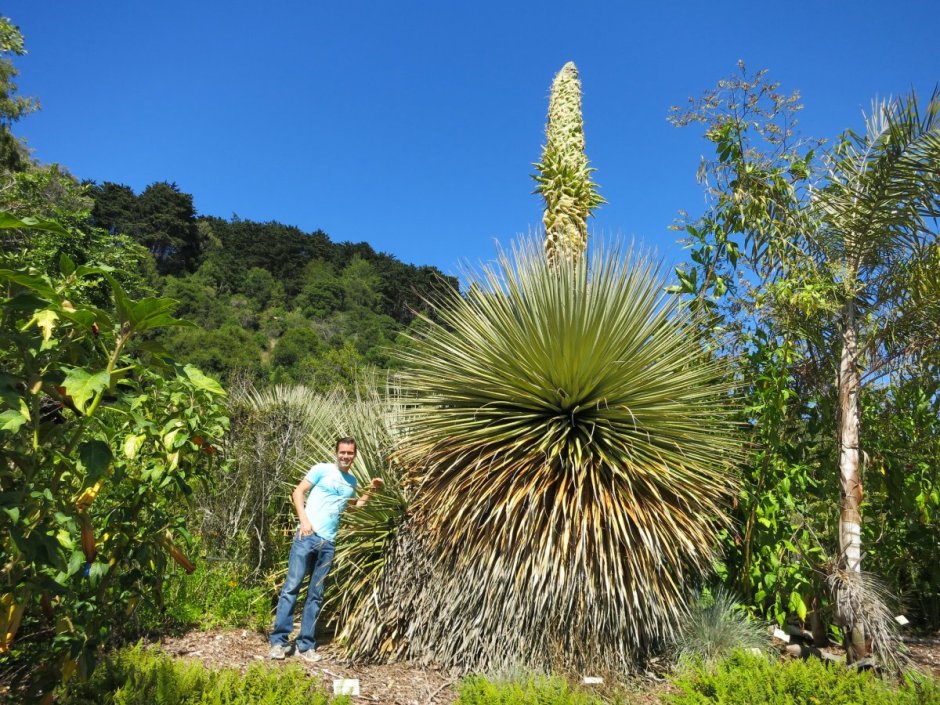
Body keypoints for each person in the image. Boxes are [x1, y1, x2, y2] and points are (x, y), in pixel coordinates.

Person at [268, 436, 383, 661]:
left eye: (350, 453)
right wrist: (304, 521)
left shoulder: (351, 481)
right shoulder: (321, 469)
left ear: (355, 455)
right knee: (291, 588)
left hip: (328, 543)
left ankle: (306, 645)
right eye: (342, 452)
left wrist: (371, 490)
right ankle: (279, 642)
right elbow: (298, 492)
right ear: (336, 452)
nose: (346, 456)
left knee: (316, 595)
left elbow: (352, 509)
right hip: (307, 537)